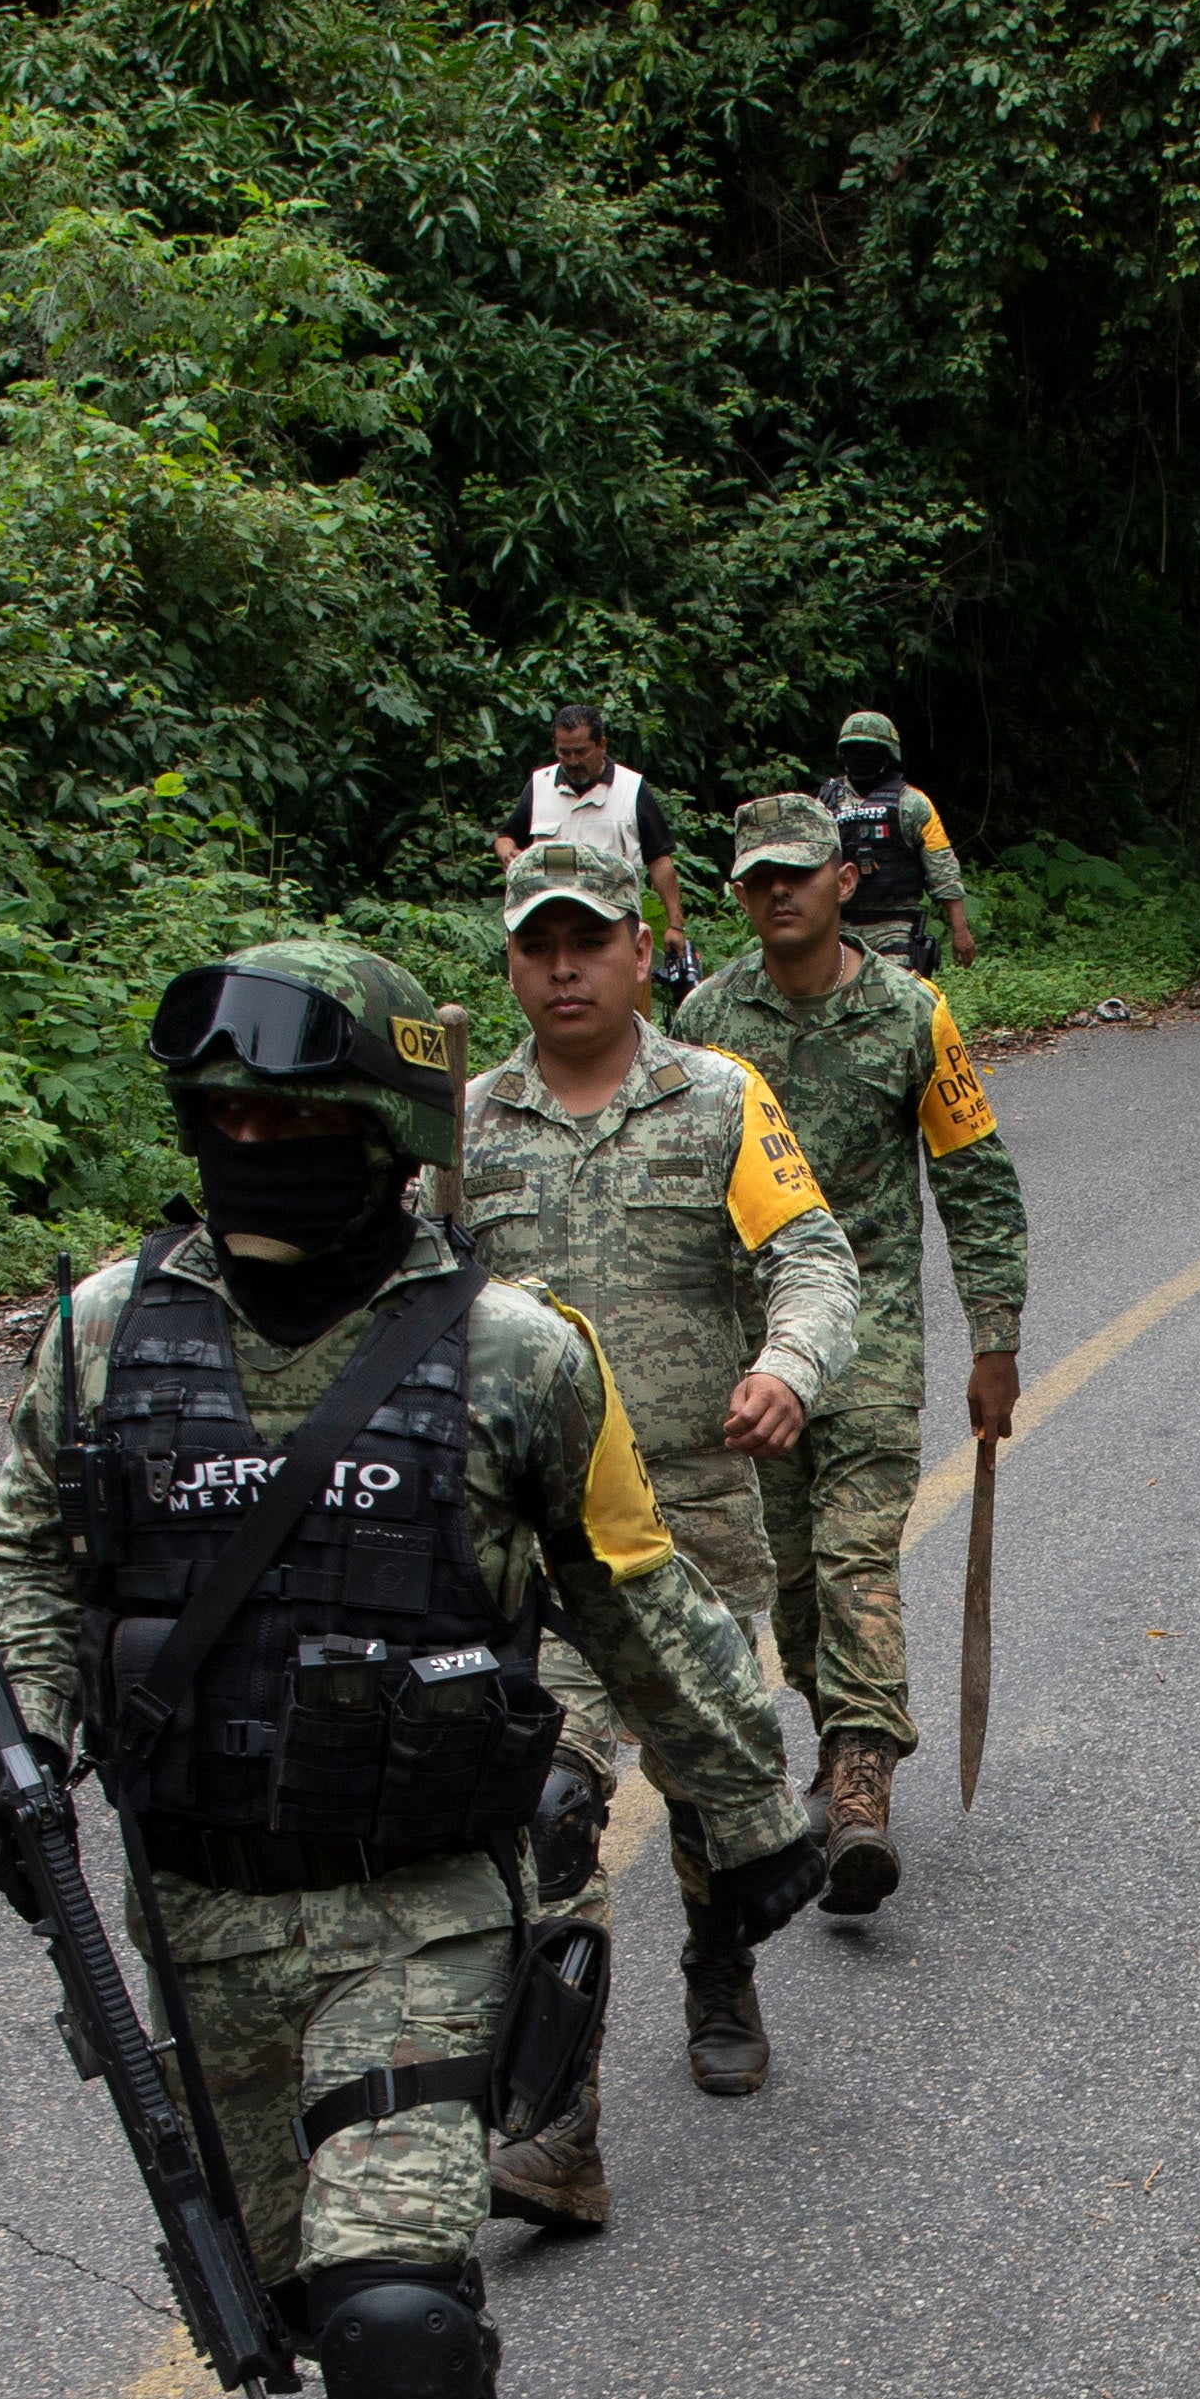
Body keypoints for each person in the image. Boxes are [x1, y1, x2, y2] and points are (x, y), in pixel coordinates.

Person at [0, 938, 821, 2399]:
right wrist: (16, 1749)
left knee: (399, 2316)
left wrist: (745, 1804)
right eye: (226, 1121)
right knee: (280, 2305)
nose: (257, 1149)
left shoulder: (514, 1353)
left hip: (419, 1906)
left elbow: (637, 1589)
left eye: (297, 1120)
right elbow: (31, 1556)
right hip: (193, 1921)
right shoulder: (106, 1334)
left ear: (384, 1135)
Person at [460, 840, 861, 2200]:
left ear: (643, 952)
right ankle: (555, 2120)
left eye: (589, 941)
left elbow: (810, 1255)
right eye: (537, 946)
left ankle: (720, 1966)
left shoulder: (718, 1098)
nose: (563, 968)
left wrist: (787, 1368)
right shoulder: (464, 1130)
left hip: (687, 1528)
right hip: (532, 1547)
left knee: (706, 1797)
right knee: (549, 1805)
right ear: (511, 963)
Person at [678, 794, 1031, 1911]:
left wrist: (995, 1338)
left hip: (869, 1339)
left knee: (853, 1556)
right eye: (756, 879)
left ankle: (864, 1786)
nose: (777, 893)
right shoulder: (702, 1018)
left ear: (842, 882)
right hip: (752, 1353)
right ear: (739, 894)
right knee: (785, 1579)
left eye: (798, 873)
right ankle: (838, 1741)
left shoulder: (911, 1014)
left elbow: (975, 1179)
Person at [495, 701, 687, 957]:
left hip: (612, 929)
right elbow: (506, 836)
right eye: (564, 752)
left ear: (602, 745)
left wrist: (675, 924)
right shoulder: (540, 785)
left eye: (581, 751)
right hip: (549, 928)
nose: (573, 761)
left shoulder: (631, 788)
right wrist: (507, 852)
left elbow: (660, 860)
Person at [819, 712, 976, 980]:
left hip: (895, 924)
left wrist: (960, 929)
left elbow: (942, 869)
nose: (861, 756)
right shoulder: (825, 804)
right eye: (854, 749)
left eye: (868, 749)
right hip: (839, 924)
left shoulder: (913, 804)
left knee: (894, 1001)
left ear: (886, 754)